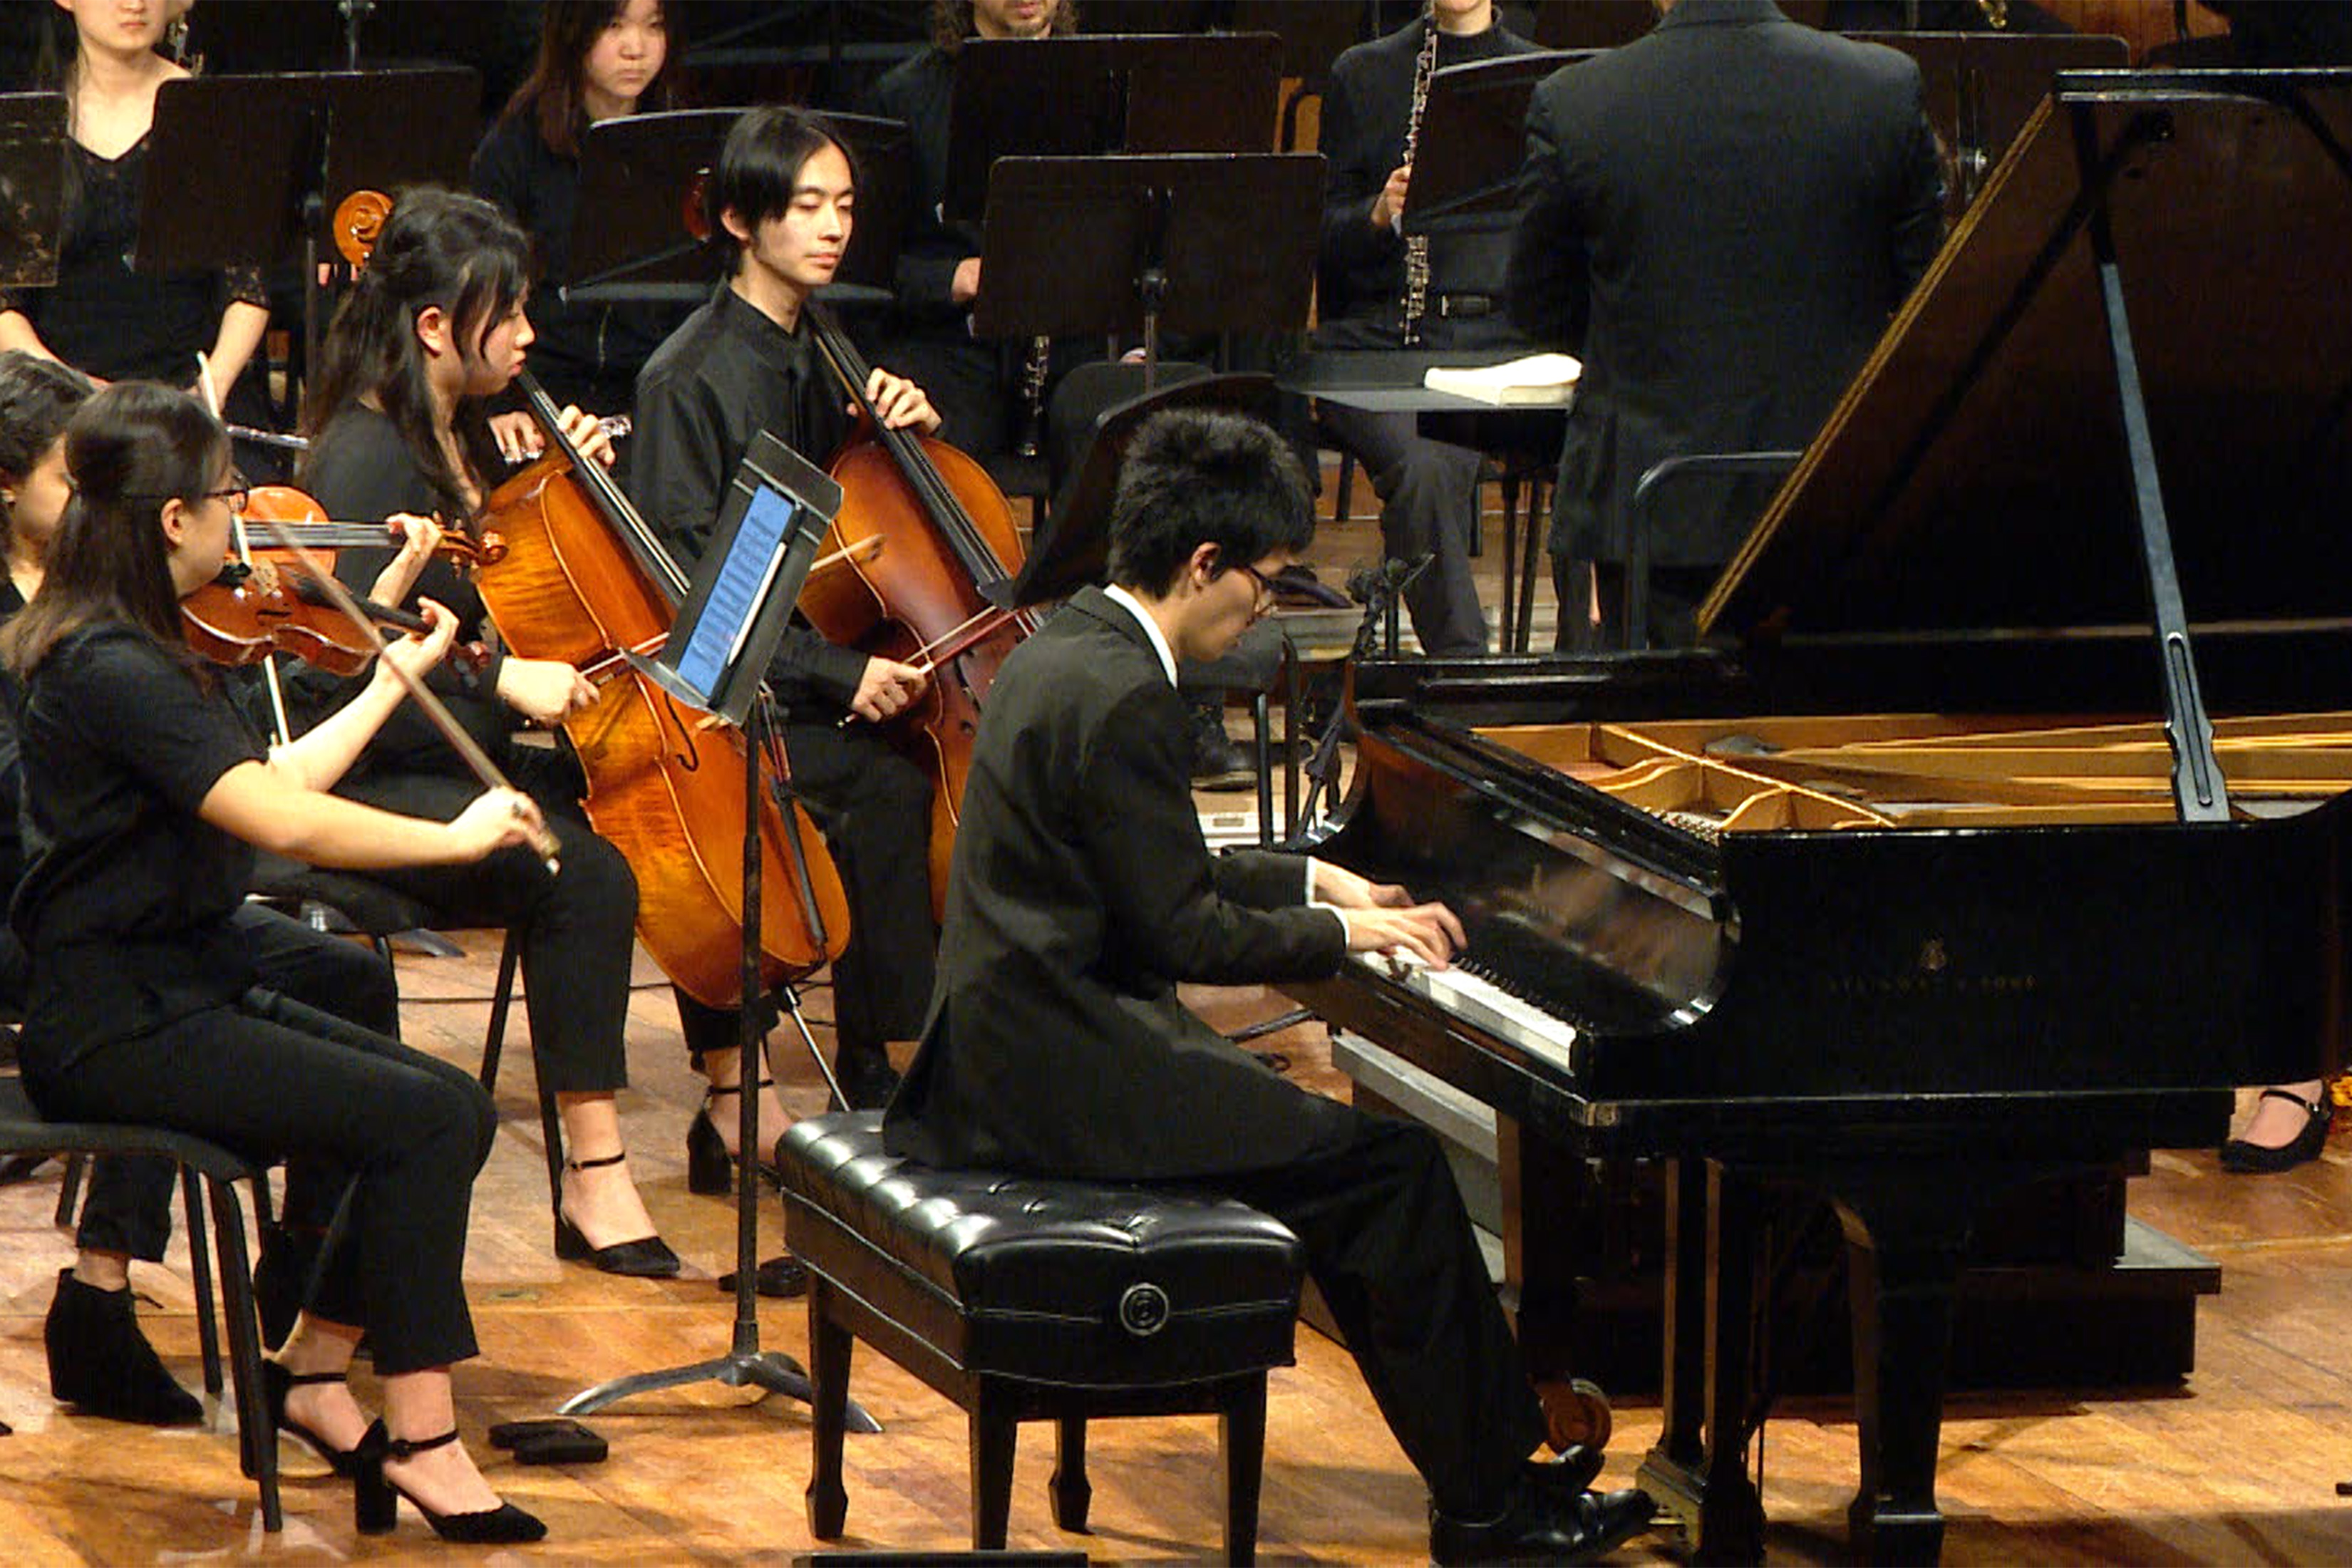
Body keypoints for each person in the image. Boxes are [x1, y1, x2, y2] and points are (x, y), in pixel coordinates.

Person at [884, 406, 1656, 1565]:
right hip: (1063, 1077)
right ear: (1204, 564)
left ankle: (1491, 1469)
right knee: (1390, 1176)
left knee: (1351, 1179)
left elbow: (1155, 866)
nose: (1264, 609)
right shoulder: (1126, 694)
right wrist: (1345, 945)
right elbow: (1185, 929)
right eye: (1266, 582)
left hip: (1009, 1049)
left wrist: (1319, 882)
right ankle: (1495, 1505)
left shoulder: (1069, 644)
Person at [1, 380, 546, 1542]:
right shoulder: (111, 666)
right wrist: (450, 837)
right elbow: (282, 826)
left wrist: (387, 674)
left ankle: (316, 1367)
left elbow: (281, 782)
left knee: (446, 1108)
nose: (245, 518)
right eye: (226, 497)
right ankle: (422, 1437)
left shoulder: (136, 644)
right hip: (120, 1025)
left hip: (172, 984)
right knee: (432, 1121)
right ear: (171, 522)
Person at [0, 350, 410, 1428]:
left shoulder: (132, 606)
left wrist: (376, 638)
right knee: (170, 978)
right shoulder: (72, 635)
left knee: (347, 978)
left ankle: (311, 1280)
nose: (89, 495)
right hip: (32, 896)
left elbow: (239, 765)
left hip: (141, 863)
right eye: (70, 475)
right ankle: (101, 1287)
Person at [290, 186, 680, 1278]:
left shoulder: (448, 433)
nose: (526, 334)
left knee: (637, 827)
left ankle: (708, 1114)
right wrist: (511, 681)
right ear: (433, 326)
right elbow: (377, 659)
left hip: (445, 753)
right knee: (580, 874)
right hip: (371, 777)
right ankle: (593, 1178)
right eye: (504, 315)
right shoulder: (371, 458)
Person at [630, 105, 942, 1158]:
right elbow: (694, 608)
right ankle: (862, 1071)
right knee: (885, 784)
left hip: (810, 668)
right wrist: (837, 672)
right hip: (727, 700)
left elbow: (859, 538)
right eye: (806, 205)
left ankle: (889, 1060)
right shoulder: (688, 378)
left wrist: (905, 437)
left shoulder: (828, 347)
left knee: (922, 767)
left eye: (844, 205)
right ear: (738, 220)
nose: (832, 227)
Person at [1508, 0, 1945, 649]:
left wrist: (1631, 348)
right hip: (1835, 500)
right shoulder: (1882, 87)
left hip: (1655, 508)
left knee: (1661, 734)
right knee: (1836, 736)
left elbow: (1537, 306)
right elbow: (1926, 303)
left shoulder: (1578, 103)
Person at [1316, 0, 1542, 658]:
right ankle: (1463, 663)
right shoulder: (1364, 73)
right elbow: (1318, 233)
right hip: (1380, 344)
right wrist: (1378, 213)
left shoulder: (1538, 78)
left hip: (1487, 344)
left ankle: (1590, 665)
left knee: (1591, 434)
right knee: (1421, 467)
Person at [0, 0, 273, 429]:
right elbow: (6, 306)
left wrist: (209, 390)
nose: (136, 4)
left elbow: (249, 291)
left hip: (189, 397)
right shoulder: (27, 120)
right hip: (59, 403)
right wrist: (78, 393)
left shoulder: (214, 112)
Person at [860, 0, 1078, 463]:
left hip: (1076, 345)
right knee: (903, 418)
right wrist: (955, 278)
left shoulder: (1109, 83)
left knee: (1126, 418)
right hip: (952, 347)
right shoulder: (903, 99)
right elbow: (863, 271)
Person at [470, 0, 692, 418]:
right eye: (614, 26)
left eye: (654, 27)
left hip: (648, 389)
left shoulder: (680, 142)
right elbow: (483, 287)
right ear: (573, 31)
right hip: (538, 388)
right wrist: (498, 404)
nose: (636, 48)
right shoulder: (514, 147)